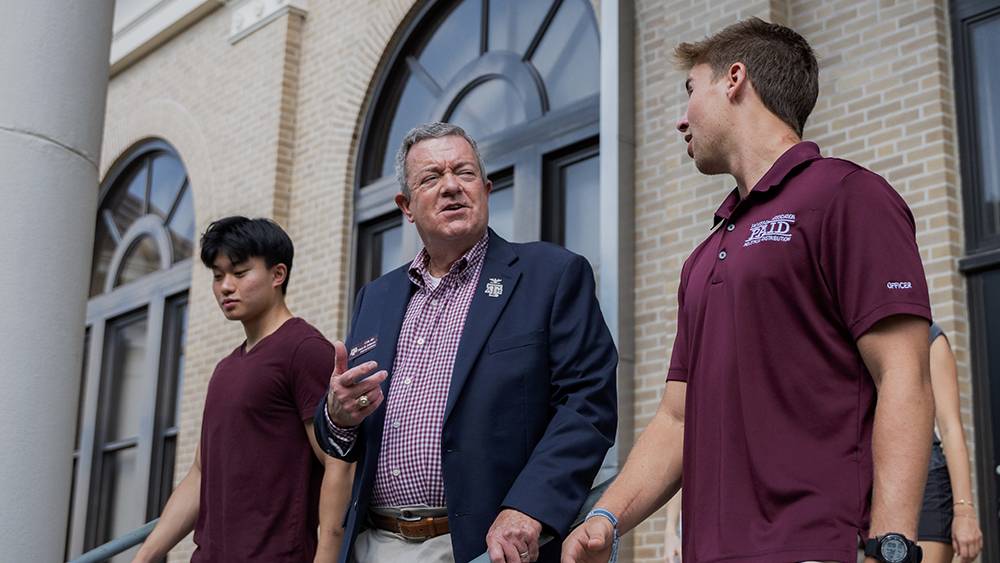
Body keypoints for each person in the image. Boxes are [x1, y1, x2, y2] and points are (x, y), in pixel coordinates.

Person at [563, 17, 934, 563]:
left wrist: (892, 546)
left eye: (690, 91)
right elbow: (676, 417)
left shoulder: (848, 196)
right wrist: (604, 516)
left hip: (817, 546)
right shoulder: (702, 256)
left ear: (734, 79)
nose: (680, 119)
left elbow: (904, 372)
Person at [314, 122, 618, 563]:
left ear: (487, 189)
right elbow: (341, 435)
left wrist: (529, 507)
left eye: (465, 172)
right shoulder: (375, 298)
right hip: (372, 543)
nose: (451, 186)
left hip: (482, 546)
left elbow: (587, 404)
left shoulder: (550, 275)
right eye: (431, 178)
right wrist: (338, 416)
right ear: (406, 206)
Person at [132, 216, 354, 563]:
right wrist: (144, 556)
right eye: (218, 276)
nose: (225, 286)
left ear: (277, 275)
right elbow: (200, 475)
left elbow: (338, 465)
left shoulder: (305, 350)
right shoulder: (224, 370)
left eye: (239, 272)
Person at [918, 324, 983, 563]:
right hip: (865, 487)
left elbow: (950, 427)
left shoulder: (928, 336)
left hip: (927, 487)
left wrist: (964, 512)